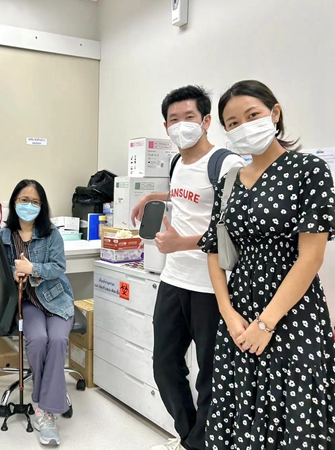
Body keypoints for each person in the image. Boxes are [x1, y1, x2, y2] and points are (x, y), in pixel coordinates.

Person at [200, 80, 335, 449]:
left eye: (252, 115)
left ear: (274, 113)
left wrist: (266, 323)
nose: (243, 127)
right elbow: (213, 250)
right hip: (239, 314)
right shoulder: (229, 181)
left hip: (292, 313)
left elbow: (311, 257)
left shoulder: (308, 170)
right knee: (239, 405)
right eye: (232, 123)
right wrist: (228, 313)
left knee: (292, 411)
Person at [131, 86, 245, 450]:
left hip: (213, 286)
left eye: (189, 117)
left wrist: (183, 243)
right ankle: (191, 436)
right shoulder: (177, 163)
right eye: (174, 119)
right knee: (165, 365)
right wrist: (153, 196)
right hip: (174, 279)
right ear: (165, 126)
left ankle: (199, 442)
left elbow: (236, 228)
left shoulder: (226, 164)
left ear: (206, 121)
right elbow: (186, 196)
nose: (181, 125)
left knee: (210, 374)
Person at [0, 179, 75, 447]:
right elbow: (5, 269)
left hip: (56, 301)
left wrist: (33, 269)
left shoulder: (51, 234)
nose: (28, 205)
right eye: (23, 200)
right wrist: (15, 273)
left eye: (34, 201)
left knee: (58, 340)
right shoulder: (5, 235)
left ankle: (45, 410)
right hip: (28, 303)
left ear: (42, 206)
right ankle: (50, 400)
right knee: (39, 340)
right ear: (14, 202)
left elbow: (59, 267)